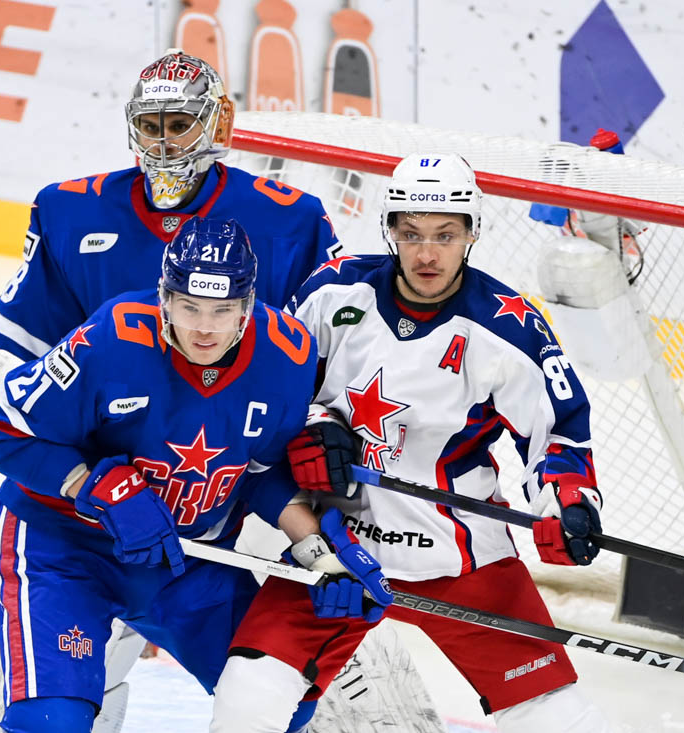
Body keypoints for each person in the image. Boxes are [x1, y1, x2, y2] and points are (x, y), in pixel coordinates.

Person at [211, 154, 614, 732]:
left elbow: (560, 428)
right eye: (412, 233)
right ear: (390, 231)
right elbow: (273, 391)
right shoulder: (333, 292)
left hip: (461, 556)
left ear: (472, 233)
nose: (427, 254)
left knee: (554, 715)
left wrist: (567, 502)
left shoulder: (508, 327)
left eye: (445, 235)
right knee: (247, 694)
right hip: (338, 548)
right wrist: (315, 423)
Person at [0, 217, 392, 732]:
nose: (204, 328)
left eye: (223, 310)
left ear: (247, 306)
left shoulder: (288, 356)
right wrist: (96, 486)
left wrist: (315, 549)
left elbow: (259, 471)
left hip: (186, 559)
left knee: (275, 702)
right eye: (189, 306)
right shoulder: (112, 339)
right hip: (64, 549)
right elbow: (2, 430)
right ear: (164, 298)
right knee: (49, 723)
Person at [0, 48, 338, 365]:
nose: (163, 144)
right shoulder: (69, 213)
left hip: (239, 412)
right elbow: (19, 343)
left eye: (180, 125)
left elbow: (328, 346)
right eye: (150, 126)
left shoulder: (291, 221)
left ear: (217, 124)